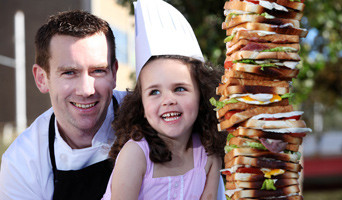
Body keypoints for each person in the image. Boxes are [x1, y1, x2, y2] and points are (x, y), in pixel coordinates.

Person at [102, 0, 226, 199]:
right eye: (154, 92)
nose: (168, 100)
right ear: (141, 105)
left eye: (179, 88)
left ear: (201, 95)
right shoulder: (136, 154)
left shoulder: (209, 153)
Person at [0, 10, 126, 200]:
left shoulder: (149, 116)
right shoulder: (22, 163)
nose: (86, 90)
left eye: (98, 71)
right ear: (42, 78)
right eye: (69, 72)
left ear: (114, 73)